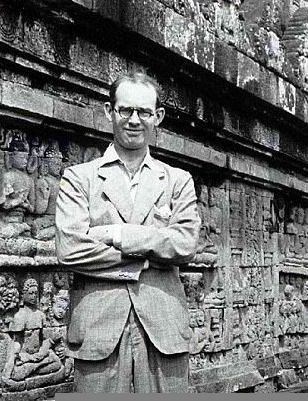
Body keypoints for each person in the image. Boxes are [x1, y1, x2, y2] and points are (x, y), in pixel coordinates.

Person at [55, 71, 201, 392]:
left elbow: (185, 244)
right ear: (110, 111)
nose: (134, 120)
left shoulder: (177, 180)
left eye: (144, 112)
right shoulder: (79, 178)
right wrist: (147, 256)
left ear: (158, 117)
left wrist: (117, 235)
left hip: (164, 328)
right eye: (126, 110)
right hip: (99, 330)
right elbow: (70, 249)